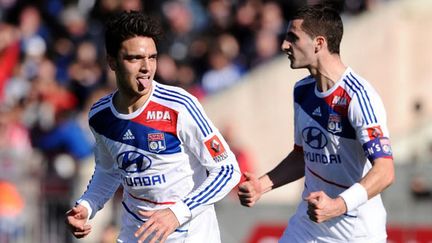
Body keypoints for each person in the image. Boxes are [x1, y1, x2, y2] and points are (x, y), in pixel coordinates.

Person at [65, 11, 241, 243]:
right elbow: (109, 170)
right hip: (134, 236)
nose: (147, 67)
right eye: (135, 58)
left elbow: (227, 170)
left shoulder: (179, 105)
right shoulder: (101, 116)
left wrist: (176, 213)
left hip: (190, 236)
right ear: (112, 62)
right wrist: (87, 206)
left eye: (152, 57)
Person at [237, 4, 395, 243]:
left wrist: (338, 205)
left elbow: (384, 171)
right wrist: (262, 185)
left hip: (356, 231)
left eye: (293, 38)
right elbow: (303, 155)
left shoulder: (358, 97)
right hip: (308, 226)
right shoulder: (302, 91)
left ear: (319, 43)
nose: (284, 45)